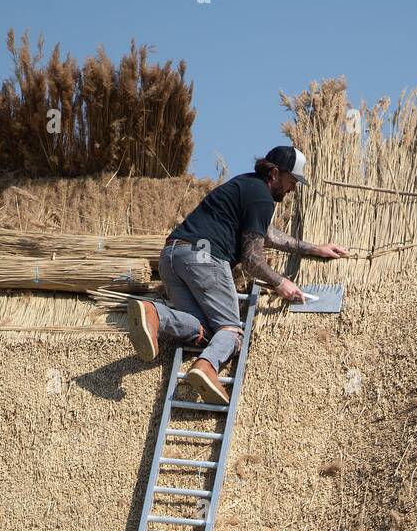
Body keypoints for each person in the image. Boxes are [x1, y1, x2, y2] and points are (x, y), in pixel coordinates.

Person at [126, 145, 348, 404]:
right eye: (292, 181)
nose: (293, 189)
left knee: (204, 331)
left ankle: (155, 314)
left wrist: (315, 248)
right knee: (231, 332)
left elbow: (268, 235)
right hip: (204, 258)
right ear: (275, 173)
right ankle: (207, 367)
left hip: (173, 256)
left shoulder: (246, 186)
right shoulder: (262, 198)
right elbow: (252, 259)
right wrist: (280, 282)